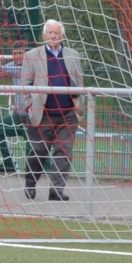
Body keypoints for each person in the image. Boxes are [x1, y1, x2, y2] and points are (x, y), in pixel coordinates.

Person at [21, 20, 83, 202]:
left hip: (67, 114)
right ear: (44, 35)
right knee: (38, 152)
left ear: (63, 35)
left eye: (56, 33)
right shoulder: (32, 55)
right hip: (42, 114)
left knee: (64, 152)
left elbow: (79, 83)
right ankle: (30, 183)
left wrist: (79, 106)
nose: (53, 36)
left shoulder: (73, 55)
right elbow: (24, 85)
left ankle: (56, 190)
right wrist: (29, 107)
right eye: (50, 33)